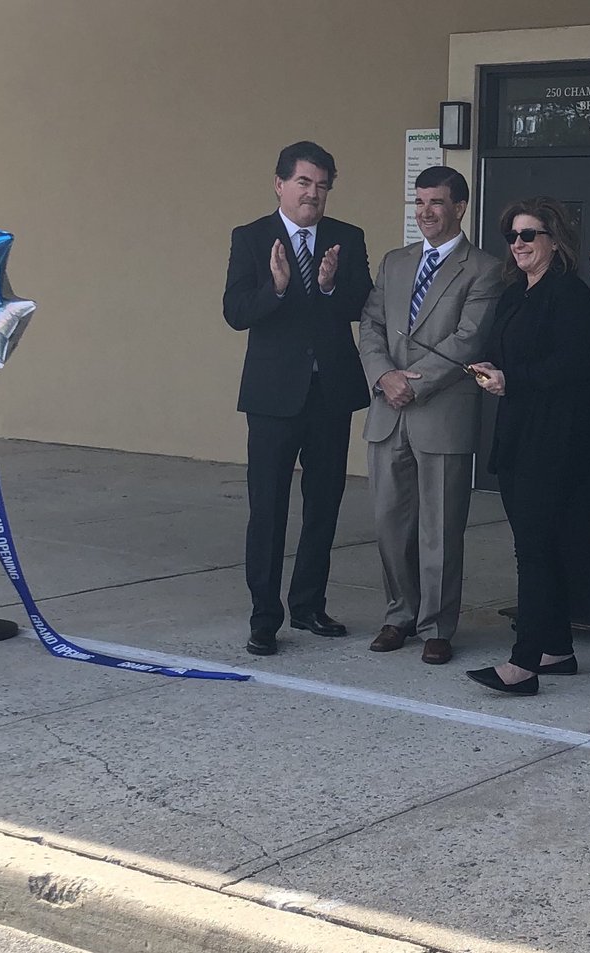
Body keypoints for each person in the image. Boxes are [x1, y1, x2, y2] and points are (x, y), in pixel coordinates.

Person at [223, 141, 372, 657]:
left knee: (324, 504)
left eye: (323, 184)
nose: (314, 193)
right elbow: (235, 310)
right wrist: (279, 289)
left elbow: (364, 304)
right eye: (305, 182)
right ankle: (265, 616)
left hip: (329, 393)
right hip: (271, 397)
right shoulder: (252, 237)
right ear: (280, 184)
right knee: (268, 507)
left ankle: (309, 604)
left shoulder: (345, 238)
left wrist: (330, 287)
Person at [357, 166, 503, 665]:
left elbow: (468, 339)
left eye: (436, 203)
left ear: (459, 208)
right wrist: (383, 376)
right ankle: (399, 614)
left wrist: (408, 383)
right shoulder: (396, 262)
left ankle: (438, 624)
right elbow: (371, 324)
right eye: (419, 203)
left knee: (440, 528)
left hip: (440, 413)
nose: (425, 212)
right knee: (390, 522)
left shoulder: (483, 268)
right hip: (386, 412)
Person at [465, 197, 590, 696]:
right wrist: (489, 369)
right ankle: (557, 648)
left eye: (528, 235)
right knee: (535, 544)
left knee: (537, 550)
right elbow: (504, 351)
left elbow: (571, 366)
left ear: (553, 239)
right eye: (512, 237)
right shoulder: (514, 293)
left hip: (556, 438)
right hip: (519, 431)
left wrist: (511, 378)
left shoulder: (570, 295)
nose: (518, 245)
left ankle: (524, 663)